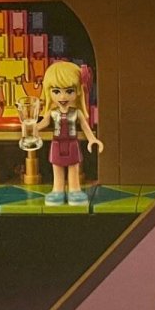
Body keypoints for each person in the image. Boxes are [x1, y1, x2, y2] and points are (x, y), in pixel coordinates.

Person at [40, 61, 103, 206]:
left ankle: (74, 190)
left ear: (78, 91)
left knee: (73, 166)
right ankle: (57, 190)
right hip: (57, 143)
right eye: (56, 91)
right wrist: (30, 127)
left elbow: (85, 127)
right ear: (49, 91)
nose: (63, 97)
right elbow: (42, 124)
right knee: (57, 166)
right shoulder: (52, 112)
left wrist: (93, 139)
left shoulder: (76, 112)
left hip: (72, 143)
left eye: (69, 91)